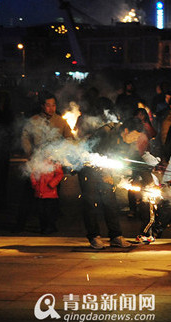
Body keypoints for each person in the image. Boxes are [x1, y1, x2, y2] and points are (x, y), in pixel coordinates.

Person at [15, 92, 73, 232]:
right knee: (28, 193)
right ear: (42, 106)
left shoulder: (60, 121)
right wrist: (30, 154)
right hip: (37, 162)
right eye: (48, 105)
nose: (51, 108)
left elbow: (69, 137)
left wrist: (63, 152)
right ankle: (20, 224)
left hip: (53, 164)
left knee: (52, 197)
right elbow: (25, 137)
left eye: (53, 105)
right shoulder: (33, 121)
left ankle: (50, 224)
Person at [79, 122, 131, 250]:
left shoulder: (120, 136)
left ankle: (115, 236)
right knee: (91, 202)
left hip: (104, 169)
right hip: (88, 167)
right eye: (134, 136)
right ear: (126, 130)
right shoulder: (106, 133)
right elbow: (99, 154)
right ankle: (94, 236)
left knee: (110, 201)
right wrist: (106, 174)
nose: (134, 140)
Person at [30, 161, 64, 235]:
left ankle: (49, 227)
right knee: (41, 211)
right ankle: (44, 226)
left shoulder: (55, 163)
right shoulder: (38, 161)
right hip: (39, 192)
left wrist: (52, 184)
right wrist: (35, 185)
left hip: (50, 192)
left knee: (49, 211)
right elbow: (33, 174)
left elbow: (59, 174)